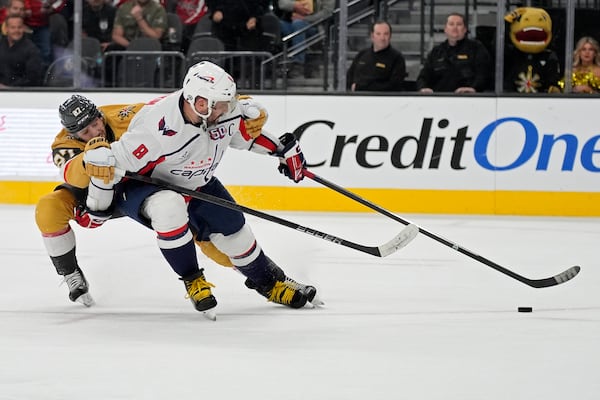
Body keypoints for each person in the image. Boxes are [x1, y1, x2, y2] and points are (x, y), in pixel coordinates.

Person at [81, 61, 318, 315]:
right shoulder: (155, 126)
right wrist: (98, 208)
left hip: (197, 182)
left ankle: (270, 284)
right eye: (221, 105)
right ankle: (193, 279)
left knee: (237, 236)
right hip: (145, 187)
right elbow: (105, 164)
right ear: (200, 102)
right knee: (168, 207)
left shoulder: (221, 111)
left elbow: (244, 136)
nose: (227, 109)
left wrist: (282, 149)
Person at [35, 92, 268, 307]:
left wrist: (235, 102)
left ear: (99, 116)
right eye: (85, 133)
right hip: (91, 193)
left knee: (191, 225)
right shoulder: (63, 144)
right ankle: (69, 273)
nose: (95, 132)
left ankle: (264, 275)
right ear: (73, 134)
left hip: (135, 186)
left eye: (96, 124)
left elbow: (174, 104)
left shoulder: (121, 115)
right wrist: (91, 159)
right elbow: (71, 174)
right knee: (48, 208)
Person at [416, 12, 491, 93]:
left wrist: (474, 88)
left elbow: (483, 74)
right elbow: (423, 77)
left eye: (459, 24)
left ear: (465, 29)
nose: (455, 27)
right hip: (439, 99)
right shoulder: (436, 52)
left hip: (468, 98)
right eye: (451, 24)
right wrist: (423, 88)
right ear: (445, 29)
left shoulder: (476, 48)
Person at [275, 0, 334, 79]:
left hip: (313, 27)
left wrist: (305, 18)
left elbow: (327, 13)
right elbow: (282, 3)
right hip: (290, 24)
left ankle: (298, 65)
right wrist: (295, 5)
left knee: (298, 24)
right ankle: (273, 63)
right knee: (275, 24)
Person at [346, 20, 406, 92]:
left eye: (386, 34)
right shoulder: (362, 55)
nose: (382, 38)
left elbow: (394, 86)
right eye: (378, 34)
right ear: (372, 36)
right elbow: (349, 79)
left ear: (390, 36)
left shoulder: (397, 58)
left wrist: (362, 88)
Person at [0, 14, 43, 87]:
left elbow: (33, 79)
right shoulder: (1, 44)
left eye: (19, 27)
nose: (16, 30)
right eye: (13, 27)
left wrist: (8, 88)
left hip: (20, 93)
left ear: (23, 28)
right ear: (6, 29)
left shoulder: (32, 50)